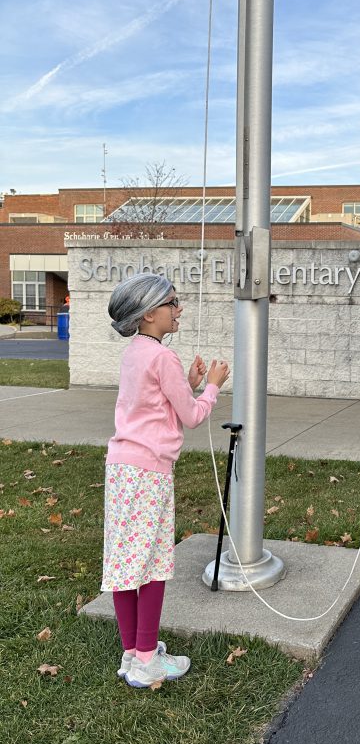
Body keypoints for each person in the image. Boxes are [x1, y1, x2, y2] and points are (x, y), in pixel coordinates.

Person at [103, 273, 230, 688]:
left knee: (125, 563)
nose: (179, 309)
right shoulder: (163, 357)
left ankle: (133, 653)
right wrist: (210, 388)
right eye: (173, 302)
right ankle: (146, 661)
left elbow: (158, 403)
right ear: (151, 312)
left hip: (123, 468)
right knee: (154, 565)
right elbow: (191, 416)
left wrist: (189, 385)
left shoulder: (136, 353)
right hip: (148, 473)